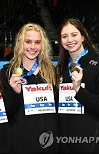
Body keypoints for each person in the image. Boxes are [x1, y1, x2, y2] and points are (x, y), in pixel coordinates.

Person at [0, 23, 58, 154]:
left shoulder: (52, 71)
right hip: (21, 144)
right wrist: (15, 93)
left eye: (37, 42)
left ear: (42, 45)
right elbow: (5, 113)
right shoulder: (7, 72)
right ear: (21, 43)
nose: (33, 47)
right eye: (28, 42)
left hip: (50, 143)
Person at [56, 18, 99, 154]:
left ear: (83, 36)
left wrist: (79, 90)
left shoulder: (97, 65)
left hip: (89, 140)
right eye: (64, 36)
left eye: (74, 35)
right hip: (63, 141)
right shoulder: (60, 68)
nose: (69, 40)